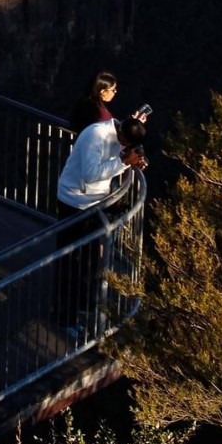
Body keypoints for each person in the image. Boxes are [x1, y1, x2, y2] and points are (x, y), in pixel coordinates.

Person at [54, 110, 147, 336]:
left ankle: (84, 306)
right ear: (123, 137)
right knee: (71, 261)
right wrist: (124, 161)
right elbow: (91, 174)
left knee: (90, 260)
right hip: (75, 201)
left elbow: (113, 164)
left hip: (94, 202)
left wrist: (130, 161)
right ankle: (63, 316)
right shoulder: (96, 135)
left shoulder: (117, 136)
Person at [65, 70, 121, 137]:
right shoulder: (99, 113)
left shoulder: (83, 103)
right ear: (103, 92)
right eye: (113, 90)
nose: (115, 92)